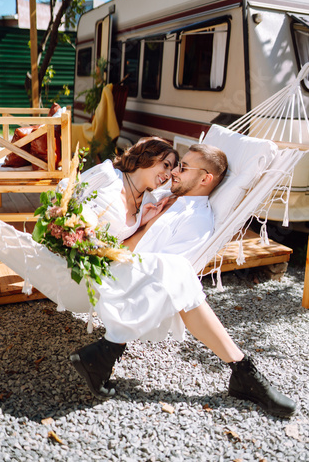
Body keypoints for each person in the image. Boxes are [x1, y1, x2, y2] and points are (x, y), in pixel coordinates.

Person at [70, 144, 297, 419]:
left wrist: (147, 227)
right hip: (108, 265)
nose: (174, 172)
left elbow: (165, 283)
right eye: (177, 166)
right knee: (180, 274)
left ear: (205, 179)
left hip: (131, 283)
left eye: (183, 167)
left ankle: (105, 354)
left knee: (179, 272)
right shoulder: (164, 196)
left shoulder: (198, 220)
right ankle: (243, 372)